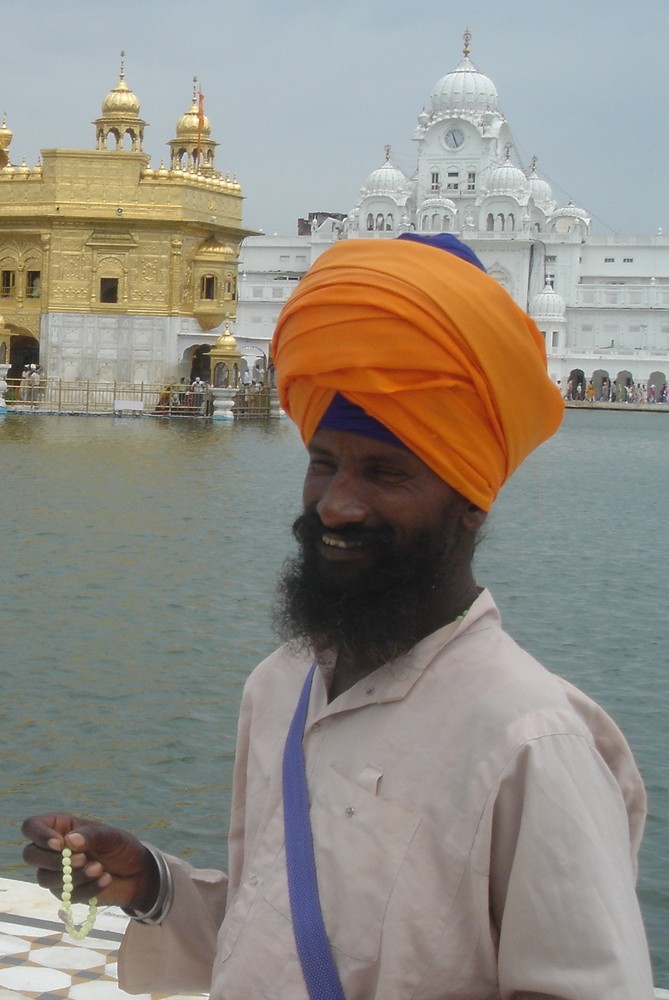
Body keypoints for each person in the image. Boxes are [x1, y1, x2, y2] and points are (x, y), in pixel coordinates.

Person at [22, 234, 654, 1000]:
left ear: (468, 501)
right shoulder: (282, 685)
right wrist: (152, 884)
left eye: (385, 473)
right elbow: (283, 930)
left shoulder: (529, 741)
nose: (337, 502)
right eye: (324, 462)